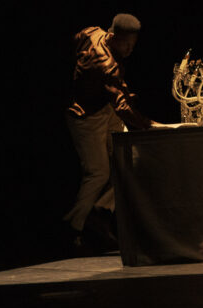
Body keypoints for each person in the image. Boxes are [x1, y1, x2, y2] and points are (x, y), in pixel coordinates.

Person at [64, 13, 158, 250]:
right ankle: (72, 226)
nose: (129, 49)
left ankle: (101, 211)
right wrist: (148, 124)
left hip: (106, 108)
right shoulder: (107, 65)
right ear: (114, 36)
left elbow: (75, 41)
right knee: (98, 172)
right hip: (87, 116)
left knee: (128, 160)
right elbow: (123, 107)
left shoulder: (91, 32)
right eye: (126, 44)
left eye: (133, 44)